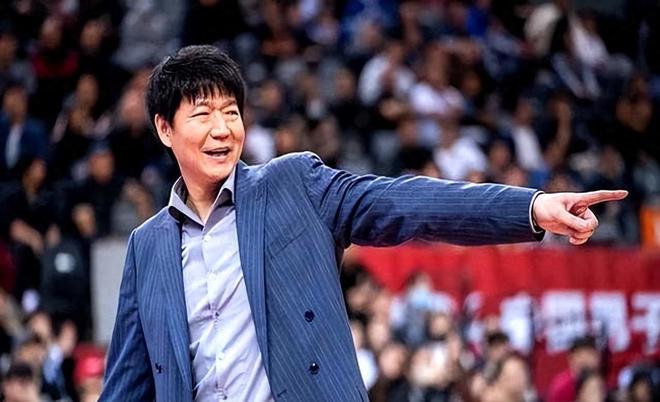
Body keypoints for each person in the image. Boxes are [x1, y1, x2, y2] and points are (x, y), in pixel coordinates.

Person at [99, 45, 627, 402]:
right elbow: (127, 385)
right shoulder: (148, 248)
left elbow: (405, 203)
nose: (222, 129)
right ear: (165, 129)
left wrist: (530, 208)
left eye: (231, 111)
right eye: (202, 114)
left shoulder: (294, 186)